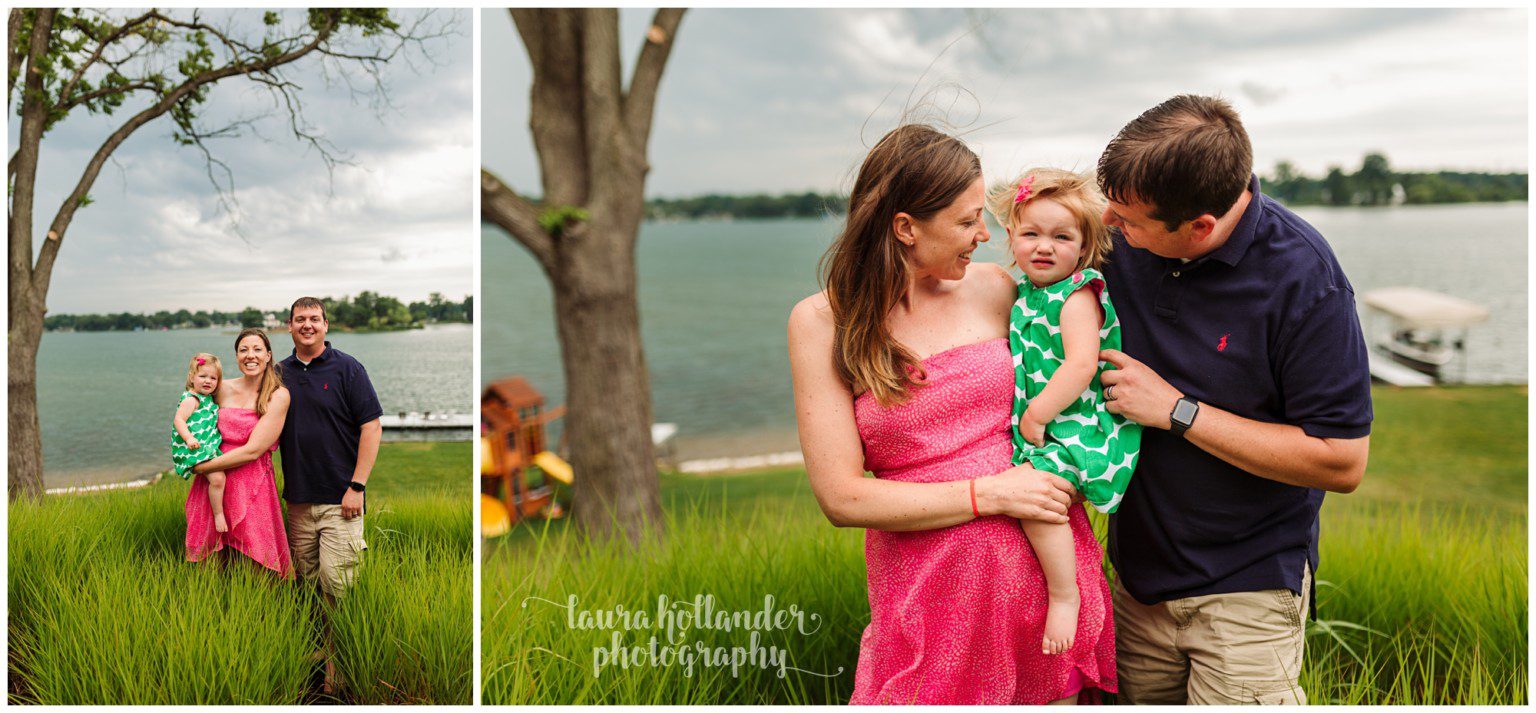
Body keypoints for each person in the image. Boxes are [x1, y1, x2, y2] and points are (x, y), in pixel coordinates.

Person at [788, 124, 1115, 705]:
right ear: (906, 227)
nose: (985, 236)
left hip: (1050, 599)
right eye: (967, 222)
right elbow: (842, 498)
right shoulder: (822, 323)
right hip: (930, 606)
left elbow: (1079, 331)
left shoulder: (995, 288)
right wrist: (989, 495)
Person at [1093, 94, 1372, 704]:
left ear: (1199, 227)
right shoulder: (1127, 233)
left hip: (1248, 590)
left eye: (1127, 222)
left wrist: (1177, 411)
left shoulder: (1305, 279)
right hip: (1134, 581)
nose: (1108, 229)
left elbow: (1341, 459)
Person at [985, 168, 1142, 656]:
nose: (1044, 247)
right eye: (1031, 234)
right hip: (1052, 421)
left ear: (1084, 245)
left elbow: (1078, 366)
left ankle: (1064, 593)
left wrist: (1035, 416)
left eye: (1061, 237)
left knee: (1039, 495)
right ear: (1011, 238)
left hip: (1079, 425)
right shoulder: (1027, 294)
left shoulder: (1076, 296)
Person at [279, 296, 383, 692]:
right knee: (307, 587)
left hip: (342, 502)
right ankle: (318, 652)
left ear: (326, 325)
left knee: (338, 587)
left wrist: (357, 486)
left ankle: (340, 662)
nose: (307, 325)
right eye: (300, 319)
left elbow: (371, 428)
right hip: (298, 503)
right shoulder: (279, 373)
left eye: (314, 319)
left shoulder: (348, 368)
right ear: (289, 326)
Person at [186, 330, 294, 578]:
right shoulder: (220, 388)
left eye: (257, 349)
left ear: (268, 356)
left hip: (251, 485)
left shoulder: (278, 395)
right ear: (236, 357)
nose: (250, 355)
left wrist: (203, 467)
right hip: (215, 484)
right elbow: (190, 417)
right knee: (210, 565)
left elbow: (253, 451)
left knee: (257, 562)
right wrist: (187, 453)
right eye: (243, 350)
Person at [172, 353, 232, 532]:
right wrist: (189, 438)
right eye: (202, 376)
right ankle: (218, 515)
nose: (208, 381)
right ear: (191, 377)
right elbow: (178, 420)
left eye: (213, 378)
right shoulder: (192, 399)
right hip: (194, 447)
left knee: (221, 477)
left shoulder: (207, 398)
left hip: (205, 446)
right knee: (218, 479)